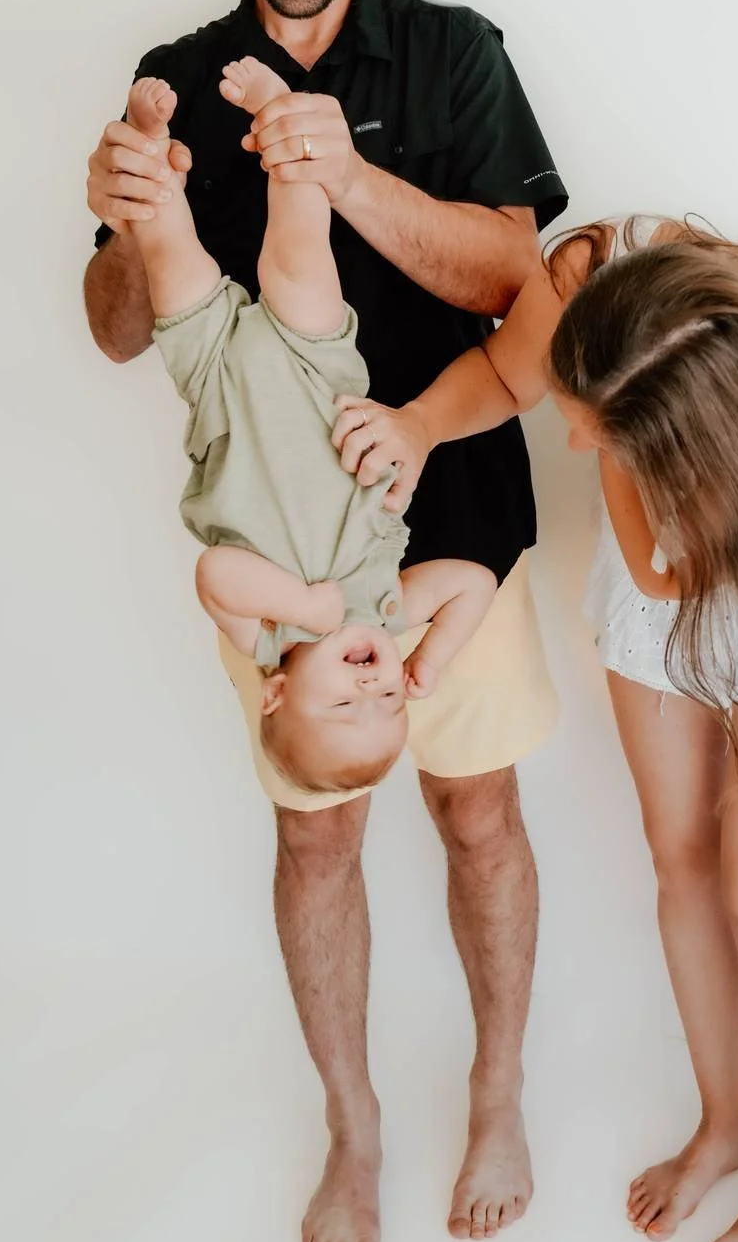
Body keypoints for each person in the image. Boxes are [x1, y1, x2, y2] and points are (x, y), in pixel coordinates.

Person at [82, 0, 567, 1242]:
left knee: (478, 811)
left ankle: (496, 1089)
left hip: (448, 517)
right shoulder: (175, 60)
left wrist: (343, 174)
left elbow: (515, 282)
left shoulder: (452, 55)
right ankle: (354, 1125)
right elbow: (115, 324)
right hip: (283, 541)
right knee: (316, 841)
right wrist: (118, 209)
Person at [333, 214, 738, 1242]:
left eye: (601, 431)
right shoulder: (597, 272)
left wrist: (647, 472)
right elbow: (641, 562)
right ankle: (724, 1123)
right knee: (679, 859)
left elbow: (692, 566)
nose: (580, 445)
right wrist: (420, 427)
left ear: (702, 427)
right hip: (663, 589)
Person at [127, 55, 497, 796]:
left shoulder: (268, 635)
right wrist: (432, 659)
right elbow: (472, 581)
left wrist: (304, 608)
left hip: (218, 387)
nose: (369, 688)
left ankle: (146, 148)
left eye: (340, 705)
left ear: (276, 694)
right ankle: (282, 115)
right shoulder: (387, 609)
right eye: (390, 698)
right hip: (314, 371)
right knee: (299, 241)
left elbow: (215, 573)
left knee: (166, 243)